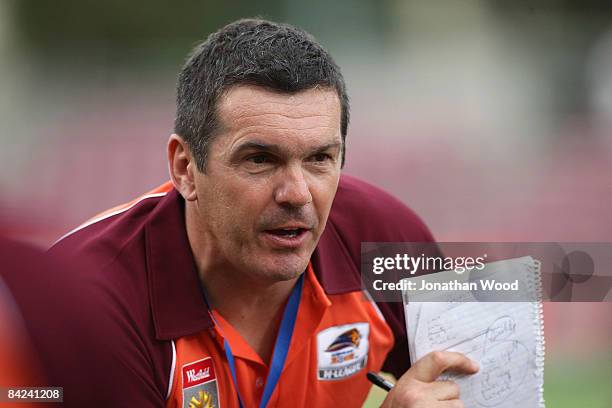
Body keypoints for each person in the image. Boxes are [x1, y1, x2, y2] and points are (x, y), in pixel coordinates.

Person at [45, 18, 478, 407]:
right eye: (259, 159)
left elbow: (489, 386)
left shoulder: (384, 235)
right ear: (185, 168)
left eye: (319, 158)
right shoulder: (87, 301)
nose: (297, 194)